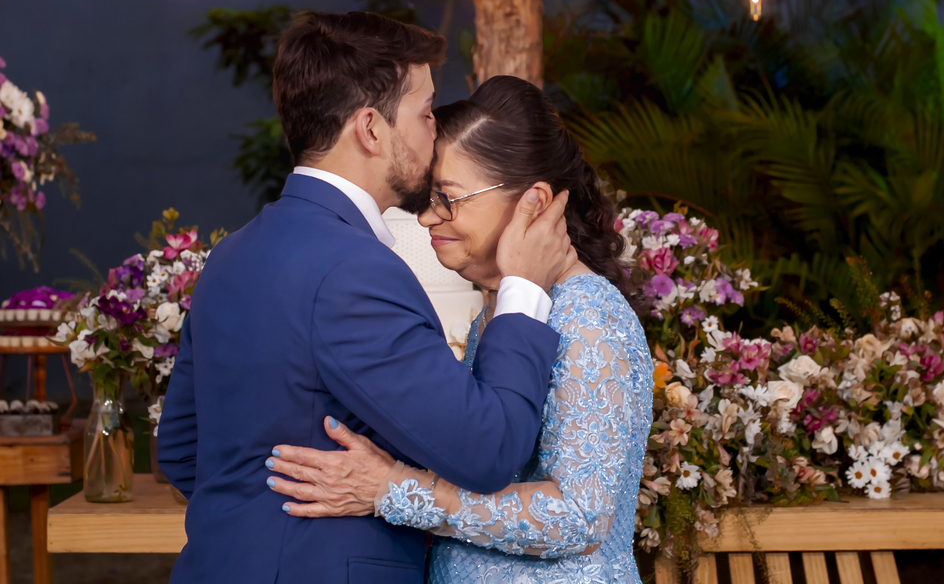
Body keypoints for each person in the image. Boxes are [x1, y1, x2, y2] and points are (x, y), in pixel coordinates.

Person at [157, 13, 576, 584]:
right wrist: (524, 288)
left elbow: (182, 452)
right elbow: (487, 448)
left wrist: (262, 519)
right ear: (372, 129)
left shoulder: (232, 254)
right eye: (426, 113)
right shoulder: (355, 271)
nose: (435, 132)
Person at [264, 76, 653, 584]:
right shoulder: (499, 311)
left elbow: (579, 516)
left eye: (448, 198)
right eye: (428, 197)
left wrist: (394, 489)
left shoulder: (589, 314)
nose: (427, 217)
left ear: (533, 201)